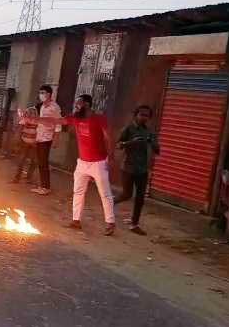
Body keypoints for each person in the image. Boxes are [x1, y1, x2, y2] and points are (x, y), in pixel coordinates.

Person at [34, 94, 116, 236]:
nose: (76, 106)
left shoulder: (99, 119)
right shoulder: (76, 118)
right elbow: (55, 121)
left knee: (105, 194)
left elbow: (109, 138)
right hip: (82, 163)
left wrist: (111, 157)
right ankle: (76, 220)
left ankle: (110, 222)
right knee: (78, 192)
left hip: (98, 163)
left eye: (79, 104)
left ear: (87, 104)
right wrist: (34, 119)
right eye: (76, 104)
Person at [114, 105, 160, 236]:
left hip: (142, 169)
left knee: (140, 198)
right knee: (126, 194)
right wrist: (131, 142)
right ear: (136, 115)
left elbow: (158, 150)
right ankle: (109, 204)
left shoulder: (149, 132)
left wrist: (152, 143)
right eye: (142, 114)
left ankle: (134, 224)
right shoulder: (128, 129)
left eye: (147, 115)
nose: (144, 117)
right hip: (128, 167)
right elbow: (118, 145)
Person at [33, 85, 62, 196]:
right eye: (40, 92)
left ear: (49, 94)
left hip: (47, 138)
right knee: (40, 162)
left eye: (43, 92)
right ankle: (43, 185)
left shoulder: (54, 107)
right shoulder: (43, 107)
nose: (41, 95)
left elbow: (58, 123)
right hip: (40, 136)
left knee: (43, 162)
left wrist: (56, 139)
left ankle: (45, 187)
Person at [11, 106, 39, 184]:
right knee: (21, 160)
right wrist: (17, 142)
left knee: (34, 161)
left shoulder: (38, 122)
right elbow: (19, 131)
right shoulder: (24, 121)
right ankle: (17, 178)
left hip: (34, 144)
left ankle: (28, 177)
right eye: (29, 113)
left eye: (33, 113)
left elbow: (40, 133)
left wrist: (36, 142)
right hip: (24, 142)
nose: (31, 114)